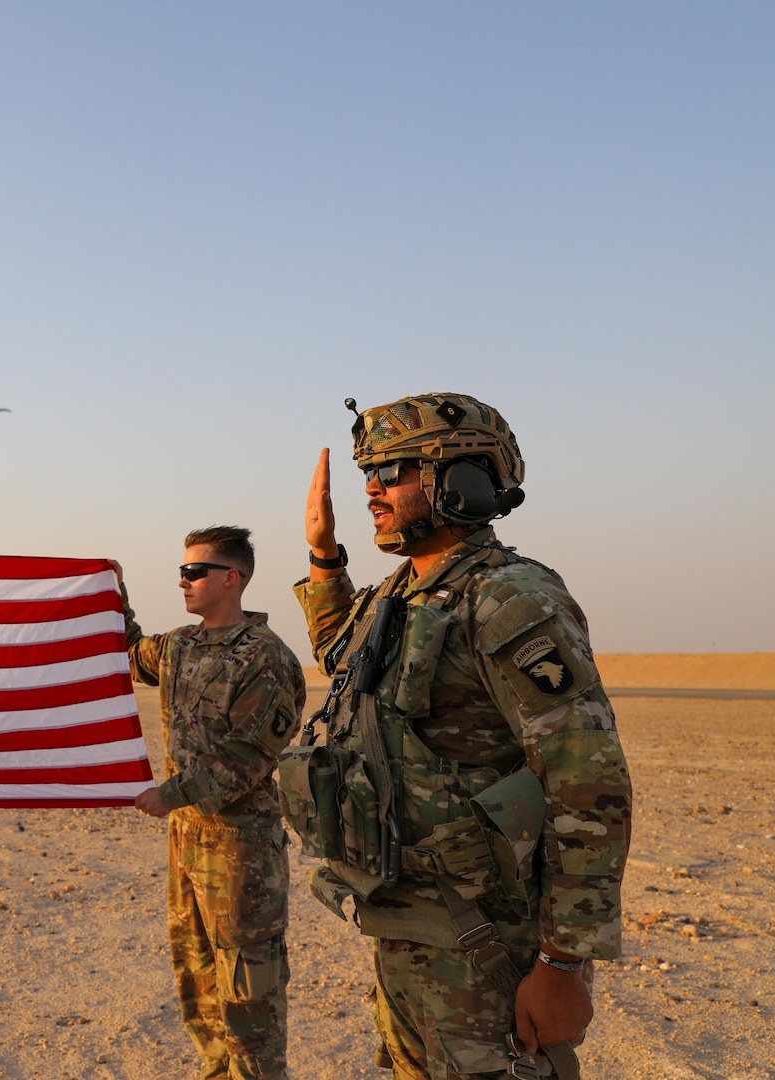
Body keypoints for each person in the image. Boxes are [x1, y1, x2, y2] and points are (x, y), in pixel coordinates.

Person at [282, 393, 632, 1080]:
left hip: (485, 946)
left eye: (395, 469)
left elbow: (587, 781)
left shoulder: (509, 599)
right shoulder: (401, 595)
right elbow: (341, 654)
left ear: (463, 482)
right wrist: (324, 558)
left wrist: (562, 963)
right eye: (367, 473)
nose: (372, 488)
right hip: (407, 927)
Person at [118, 526, 307, 1080]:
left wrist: (170, 793)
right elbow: (128, 654)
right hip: (188, 841)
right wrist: (112, 592)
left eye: (194, 571)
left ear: (232, 578)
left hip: (240, 852)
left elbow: (249, 754)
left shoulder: (267, 658)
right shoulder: (180, 645)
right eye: (180, 571)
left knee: (249, 994)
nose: (183, 581)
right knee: (197, 982)